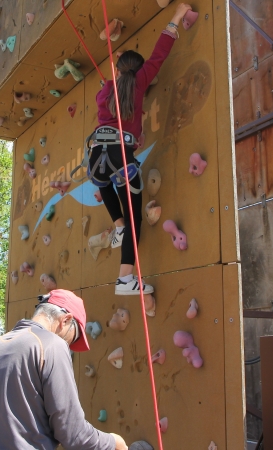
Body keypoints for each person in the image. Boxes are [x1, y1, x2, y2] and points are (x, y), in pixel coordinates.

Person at [90, 3, 192, 296]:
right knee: (137, 222)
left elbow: (108, 92)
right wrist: (176, 17)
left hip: (99, 154)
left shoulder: (106, 90)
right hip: (122, 156)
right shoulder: (138, 84)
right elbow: (160, 53)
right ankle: (125, 280)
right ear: (138, 71)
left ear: (120, 70)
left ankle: (118, 225)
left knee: (103, 182)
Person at [0, 289, 127, 450]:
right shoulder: (51, 344)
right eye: (74, 337)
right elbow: (74, 434)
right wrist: (113, 442)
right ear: (65, 320)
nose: (70, 345)